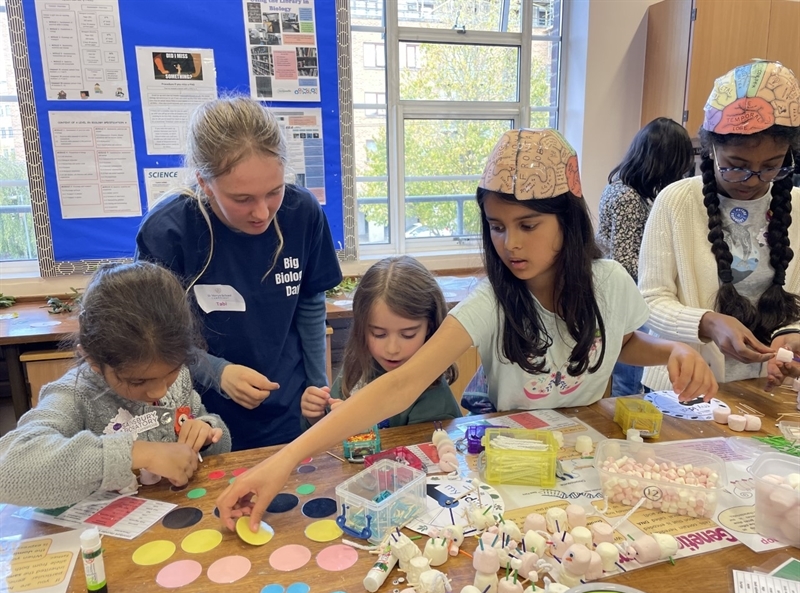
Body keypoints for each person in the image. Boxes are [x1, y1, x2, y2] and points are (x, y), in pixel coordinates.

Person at [217, 128, 717, 531]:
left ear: (568, 221)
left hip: (591, 457)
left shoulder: (609, 282)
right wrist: (285, 460)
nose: (510, 244)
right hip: (513, 461)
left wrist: (671, 350)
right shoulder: (494, 300)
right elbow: (402, 382)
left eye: (528, 225)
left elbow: (624, 342)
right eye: (497, 227)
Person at [136, 96, 342, 451]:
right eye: (242, 199)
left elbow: (310, 307)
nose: (262, 213)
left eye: (274, 192)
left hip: (287, 411)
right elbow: (157, 340)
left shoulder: (302, 212)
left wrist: (317, 387)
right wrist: (217, 373)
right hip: (200, 420)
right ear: (204, 182)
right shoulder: (169, 232)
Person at [0, 262, 231, 509]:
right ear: (93, 360)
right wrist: (138, 454)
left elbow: (218, 440)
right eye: (137, 381)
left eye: (171, 372)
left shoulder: (179, 377)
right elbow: (9, 469)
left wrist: (207, 432)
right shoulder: (75, 394)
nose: (159, 391)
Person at [638, 60, 800, 391]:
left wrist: (791, 336)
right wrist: (708, 323)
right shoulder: (677, 202)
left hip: (766, 394)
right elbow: (649, 301)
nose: (752, 180)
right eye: (736, 166)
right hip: (682, 389)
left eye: (771, 166)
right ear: (712, 149)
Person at [301, 256, 461, 430]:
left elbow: (420, 454)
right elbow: (328, 436)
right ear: (362, 328)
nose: (392, 349)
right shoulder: (359, 368)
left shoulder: (435, 402)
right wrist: (316, 417)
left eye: (408, 335)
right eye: (379, 334)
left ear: (429, 328)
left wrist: (355, 428)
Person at [597, 117, 694, 396]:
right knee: (631, 383)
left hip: (625, 297)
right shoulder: (626, 196)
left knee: (631, 381)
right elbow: (625, 262)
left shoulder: (628, 190)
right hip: (626, 299)